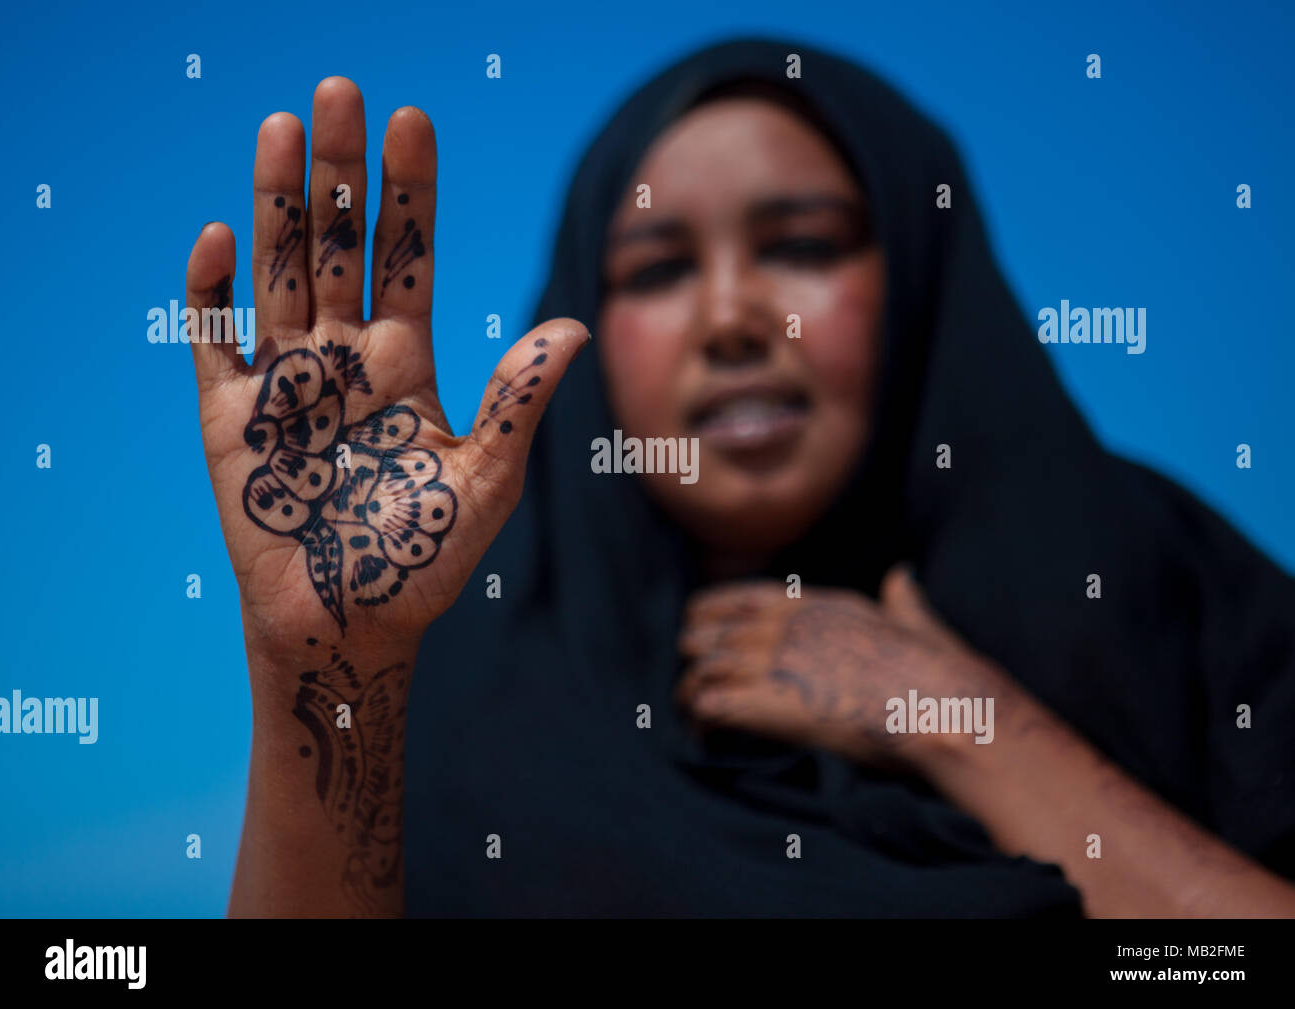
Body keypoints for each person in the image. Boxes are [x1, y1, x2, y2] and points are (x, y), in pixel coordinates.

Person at [185, 37, 1295, 918]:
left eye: (803, 245)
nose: (731, 320)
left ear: (916, 273)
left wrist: (962, 724)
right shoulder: (456, 681)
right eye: (659, 268)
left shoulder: (1158, 590)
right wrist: (325, 677)